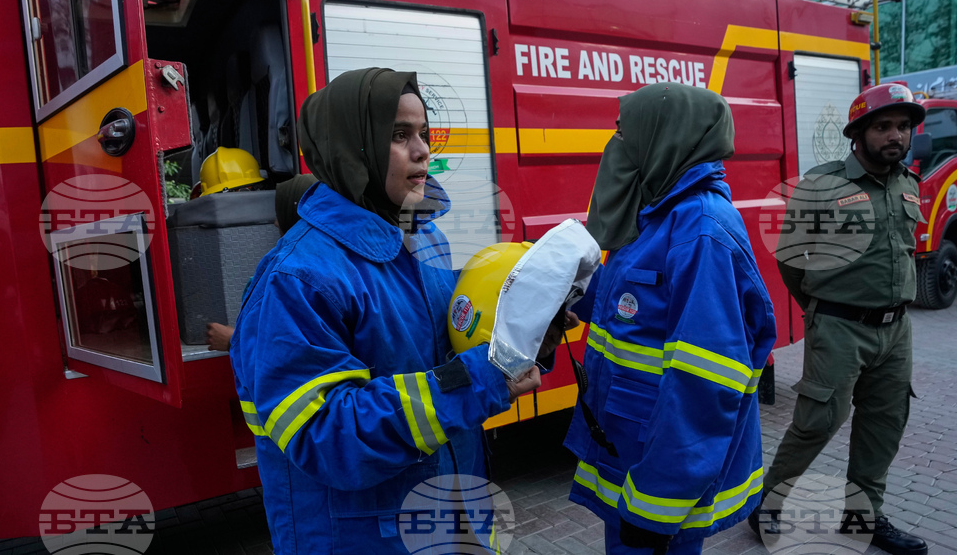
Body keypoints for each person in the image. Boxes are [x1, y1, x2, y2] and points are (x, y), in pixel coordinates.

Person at [228, 68, 540, 554]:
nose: (422, 151)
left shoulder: (423, 238)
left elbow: (456, 343)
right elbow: (327, 436)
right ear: (352, 147)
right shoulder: (297, 278)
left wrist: (529, 326)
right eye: (399, 135)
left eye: (423, 134)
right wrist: (478, 380)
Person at [565, 83, 777, 555]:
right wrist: (563, 288)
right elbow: (634, 309)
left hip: (659, 481)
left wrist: (658, 502)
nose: (616, 145)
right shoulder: (659, 216)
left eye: (625, 134)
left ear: (665, 137)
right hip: (634, 448)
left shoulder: (700, 230)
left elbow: (703, 383)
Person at [754, 84, 928, 555]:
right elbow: (792, 261)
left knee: (884, 424)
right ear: (858, 133)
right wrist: (822, 308)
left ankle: (864, 519)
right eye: (883, 126)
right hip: (839, 327)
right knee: (815, 423)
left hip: (897, 331)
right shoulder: (822, 186)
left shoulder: (909, 184)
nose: (896, 135)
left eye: (904, 127)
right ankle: (766, 507)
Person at [204, 173, 318, 352]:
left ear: (294, 214)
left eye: (280, 213)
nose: (274, 223)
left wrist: (233, 340)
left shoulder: (289, 276)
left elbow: (291, 349)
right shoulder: (336, 261)